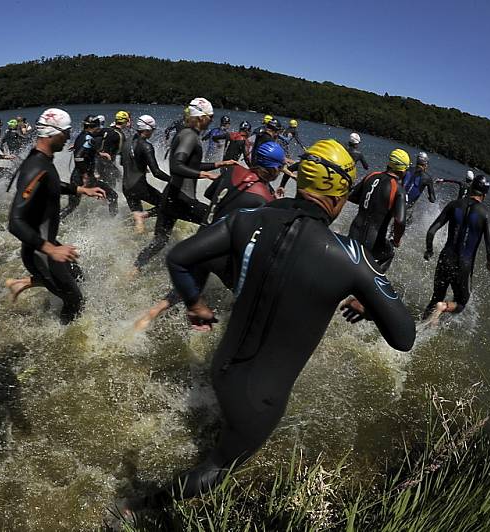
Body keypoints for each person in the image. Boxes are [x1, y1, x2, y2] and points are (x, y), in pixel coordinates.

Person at [119, 138, 415, 514]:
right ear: (339, 194)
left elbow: (179, 257)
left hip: (221, 367)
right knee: (220, 467)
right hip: (260, 400)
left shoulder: (249, 217)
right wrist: (367, 301)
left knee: (223, 425)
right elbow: (404, 337)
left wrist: (195, 304)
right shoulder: (351, 257)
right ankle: (138, 508)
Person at [134, 140, 286, 331]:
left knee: (188, 287)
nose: (280, 171)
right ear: (272, 169)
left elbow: (209, 193)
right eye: (279, 168)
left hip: (202, 239)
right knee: (249, 294)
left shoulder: (231, 171)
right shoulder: (264, 198)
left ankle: (149, 316)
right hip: (222, 252)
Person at [5, 109, 106, 323]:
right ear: (53, 133)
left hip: (47, 245)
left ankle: (23, 283)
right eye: (67, 132)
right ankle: (64, 339)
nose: (69, 137)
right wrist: (51, 249)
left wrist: (80, 190)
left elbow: (50, 184)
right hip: (40, 251)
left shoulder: (43, 161)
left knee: (79, 277)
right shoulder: (36, 167)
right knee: (75, 301)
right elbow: (15, 222)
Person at [134, 98, 237, 270]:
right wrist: (202, 174)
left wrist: (217, 164)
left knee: (159, 241)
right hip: (183, 199)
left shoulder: (184, 133)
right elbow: (176, 165)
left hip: (171, 196)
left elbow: (188, 165)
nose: (212, 121)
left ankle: (134, 269)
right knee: (218, 221)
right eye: (210, 117)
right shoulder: (190, 136)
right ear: (201, 117)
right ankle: (199, 268)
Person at [423, 174, 490, 321]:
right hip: (463, 265)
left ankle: (420, 328)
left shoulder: (454, 204)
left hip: (445, 259)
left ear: (471, 188)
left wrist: (429, 250)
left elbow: (431, 231)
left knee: (435, 297)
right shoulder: (485, 214)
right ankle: (443, 307)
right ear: (485, 195)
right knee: (462, 302)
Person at [347, 148, 409, 272]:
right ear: (402, 170)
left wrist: (369, 202)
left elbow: (352, 196)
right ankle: (375, 278)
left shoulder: (371, 175)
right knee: (389, 253)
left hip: (353, 232)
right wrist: (396, 241)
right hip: (373, 241)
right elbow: (400, 221)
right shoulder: (398, 189)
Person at [61, 115, 120, 218]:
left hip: (76, 177)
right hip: (83, 178)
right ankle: (113, 221)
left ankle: (53, 221)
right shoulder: (89, 139)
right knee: (113, 196)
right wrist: (85, 176)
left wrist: (100, 154)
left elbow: (85, 150)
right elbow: (79, 157)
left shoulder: (81, 136)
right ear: (95, 126)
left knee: (71, 206)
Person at [125, 115, 166, 233]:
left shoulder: (127, 142)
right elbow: (157, 173)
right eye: (153, 130)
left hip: (126, 188)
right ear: (148, 129)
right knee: (166, 204)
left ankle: (133, 244)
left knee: (138, 219)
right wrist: (172, 179)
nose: (153, 133)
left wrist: (139, 166)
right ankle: (146, 215)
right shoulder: (146, 146)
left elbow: (124, 162)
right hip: (139, 187)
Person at [94, 110, 130, 190]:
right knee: (112, 185)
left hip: (97, 162)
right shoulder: (120, 136)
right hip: (107, 164)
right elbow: (122, 153)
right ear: (125, 122)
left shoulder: (106, 130)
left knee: (118, 177)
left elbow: (91, 135)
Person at [402, 151, 436, 225]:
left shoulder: (407, 169)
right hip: (407, 206)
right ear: (426, 164)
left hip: (398, 199)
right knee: (410, 220)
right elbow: (433, 199)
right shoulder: (427, 178)